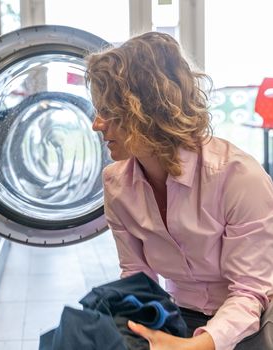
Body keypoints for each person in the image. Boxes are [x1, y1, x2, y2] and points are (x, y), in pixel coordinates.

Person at [86, 31, 273, 350]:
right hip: (178, 314)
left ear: (147, 111)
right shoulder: (116, 184)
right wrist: (132, 330)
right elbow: (136, 277)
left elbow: (250, 292)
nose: (96, 124)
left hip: (248, 322)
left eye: (109, 111)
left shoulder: (238, 177)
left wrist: (195, 346)